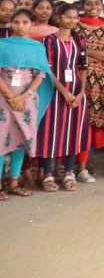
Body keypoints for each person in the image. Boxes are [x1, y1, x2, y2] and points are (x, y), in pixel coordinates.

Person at [37, 5, 90, 191]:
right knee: (50, 132)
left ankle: (69, 172)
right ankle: (48, 174)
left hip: (76, 91)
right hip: (55, 91)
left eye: (75, 18)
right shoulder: (49, 40)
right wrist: (64, 92)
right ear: (59, 18)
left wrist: (81, 92)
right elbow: (48, 69)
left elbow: (83, 67)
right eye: (68, 17)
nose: (72, 21)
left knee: (73, 132)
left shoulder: (80, 39)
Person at [0, 10, 52, 199]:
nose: (20, 26)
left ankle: (14, 182)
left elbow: (40, 75)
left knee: (22, 139)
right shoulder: (2, 45)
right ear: (10, 24)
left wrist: (22, 98)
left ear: (31, 24)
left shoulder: (37, 47)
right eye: (16, 22)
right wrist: (10, 97)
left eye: (24, 22)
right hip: (3, 100)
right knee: (1, 139)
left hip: (28, 100)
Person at [77, 0, 104, 180]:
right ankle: (71, 163)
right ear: (83, 5)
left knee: (92, 120)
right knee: (76, 119)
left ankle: (86, 161)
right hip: (77, 76)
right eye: (89, 3)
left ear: (101, 6)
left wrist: (83, 52)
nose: (93, 6)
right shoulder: (76, 24)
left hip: (99, 79)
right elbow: (73, 51)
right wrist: (89, 54)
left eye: (97, 3)